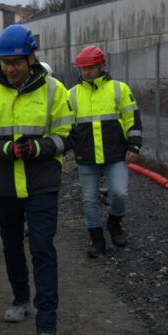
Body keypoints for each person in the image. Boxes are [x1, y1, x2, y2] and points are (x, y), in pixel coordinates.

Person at [0, 24, 75, 335]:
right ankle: (20, 298)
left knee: (42, 247)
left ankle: (47, 326)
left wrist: (37, 149)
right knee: (12, 245)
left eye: (16, 62)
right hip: (4, 184)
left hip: (41, 181)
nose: (10, 69)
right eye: (5, 63)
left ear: (31, 58)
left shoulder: (55, 91)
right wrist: (5, 151)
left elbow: (67, 136)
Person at [70, 45, 142, 257]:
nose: (87, 72)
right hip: (86, 156)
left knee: (120, 193)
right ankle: (96, 239)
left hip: (115, 154)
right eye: (83, 69)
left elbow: (132, 119)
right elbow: (65, 127)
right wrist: (65, 151)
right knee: (89, 199)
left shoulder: (119, 89)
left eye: (91, 68)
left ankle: (115, 222)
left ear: (102, 66)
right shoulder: (72, 95)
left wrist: (134, 145)